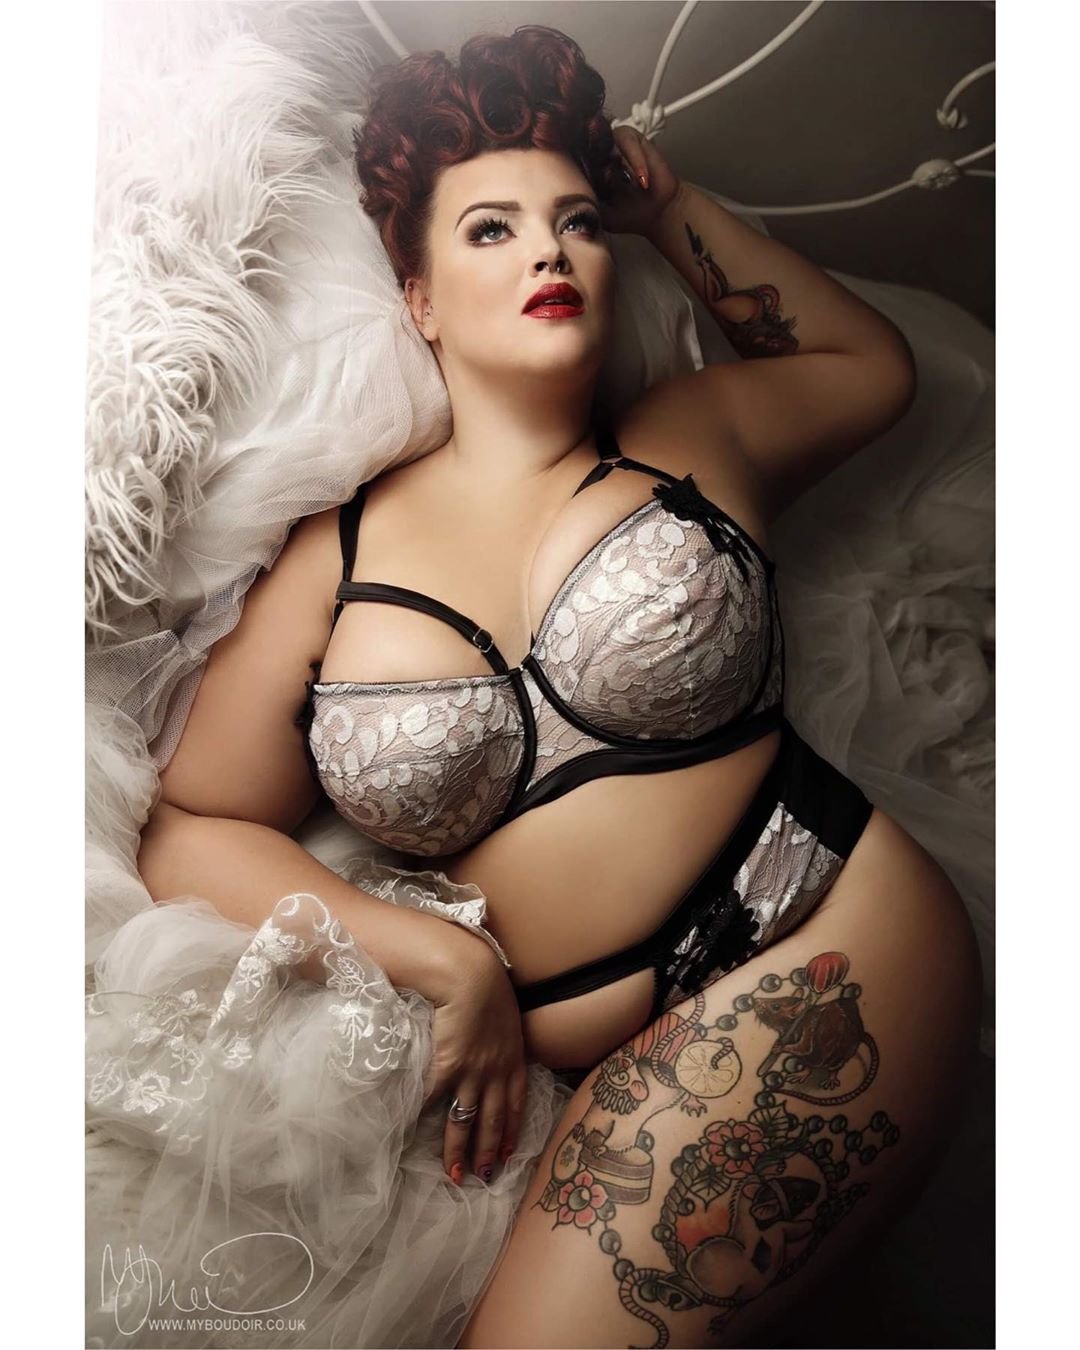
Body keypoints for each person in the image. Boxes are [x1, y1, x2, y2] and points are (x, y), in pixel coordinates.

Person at [136, 25, 982, 1349]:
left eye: (575, 221)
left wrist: (669, 208)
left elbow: (872, 370)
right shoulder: (334, 560)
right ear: (419, 298)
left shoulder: (691, 435)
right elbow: (191, 827)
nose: (549, 251)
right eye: (493, 228)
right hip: (570, 1053)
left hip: (821, 928)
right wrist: (447, 960)